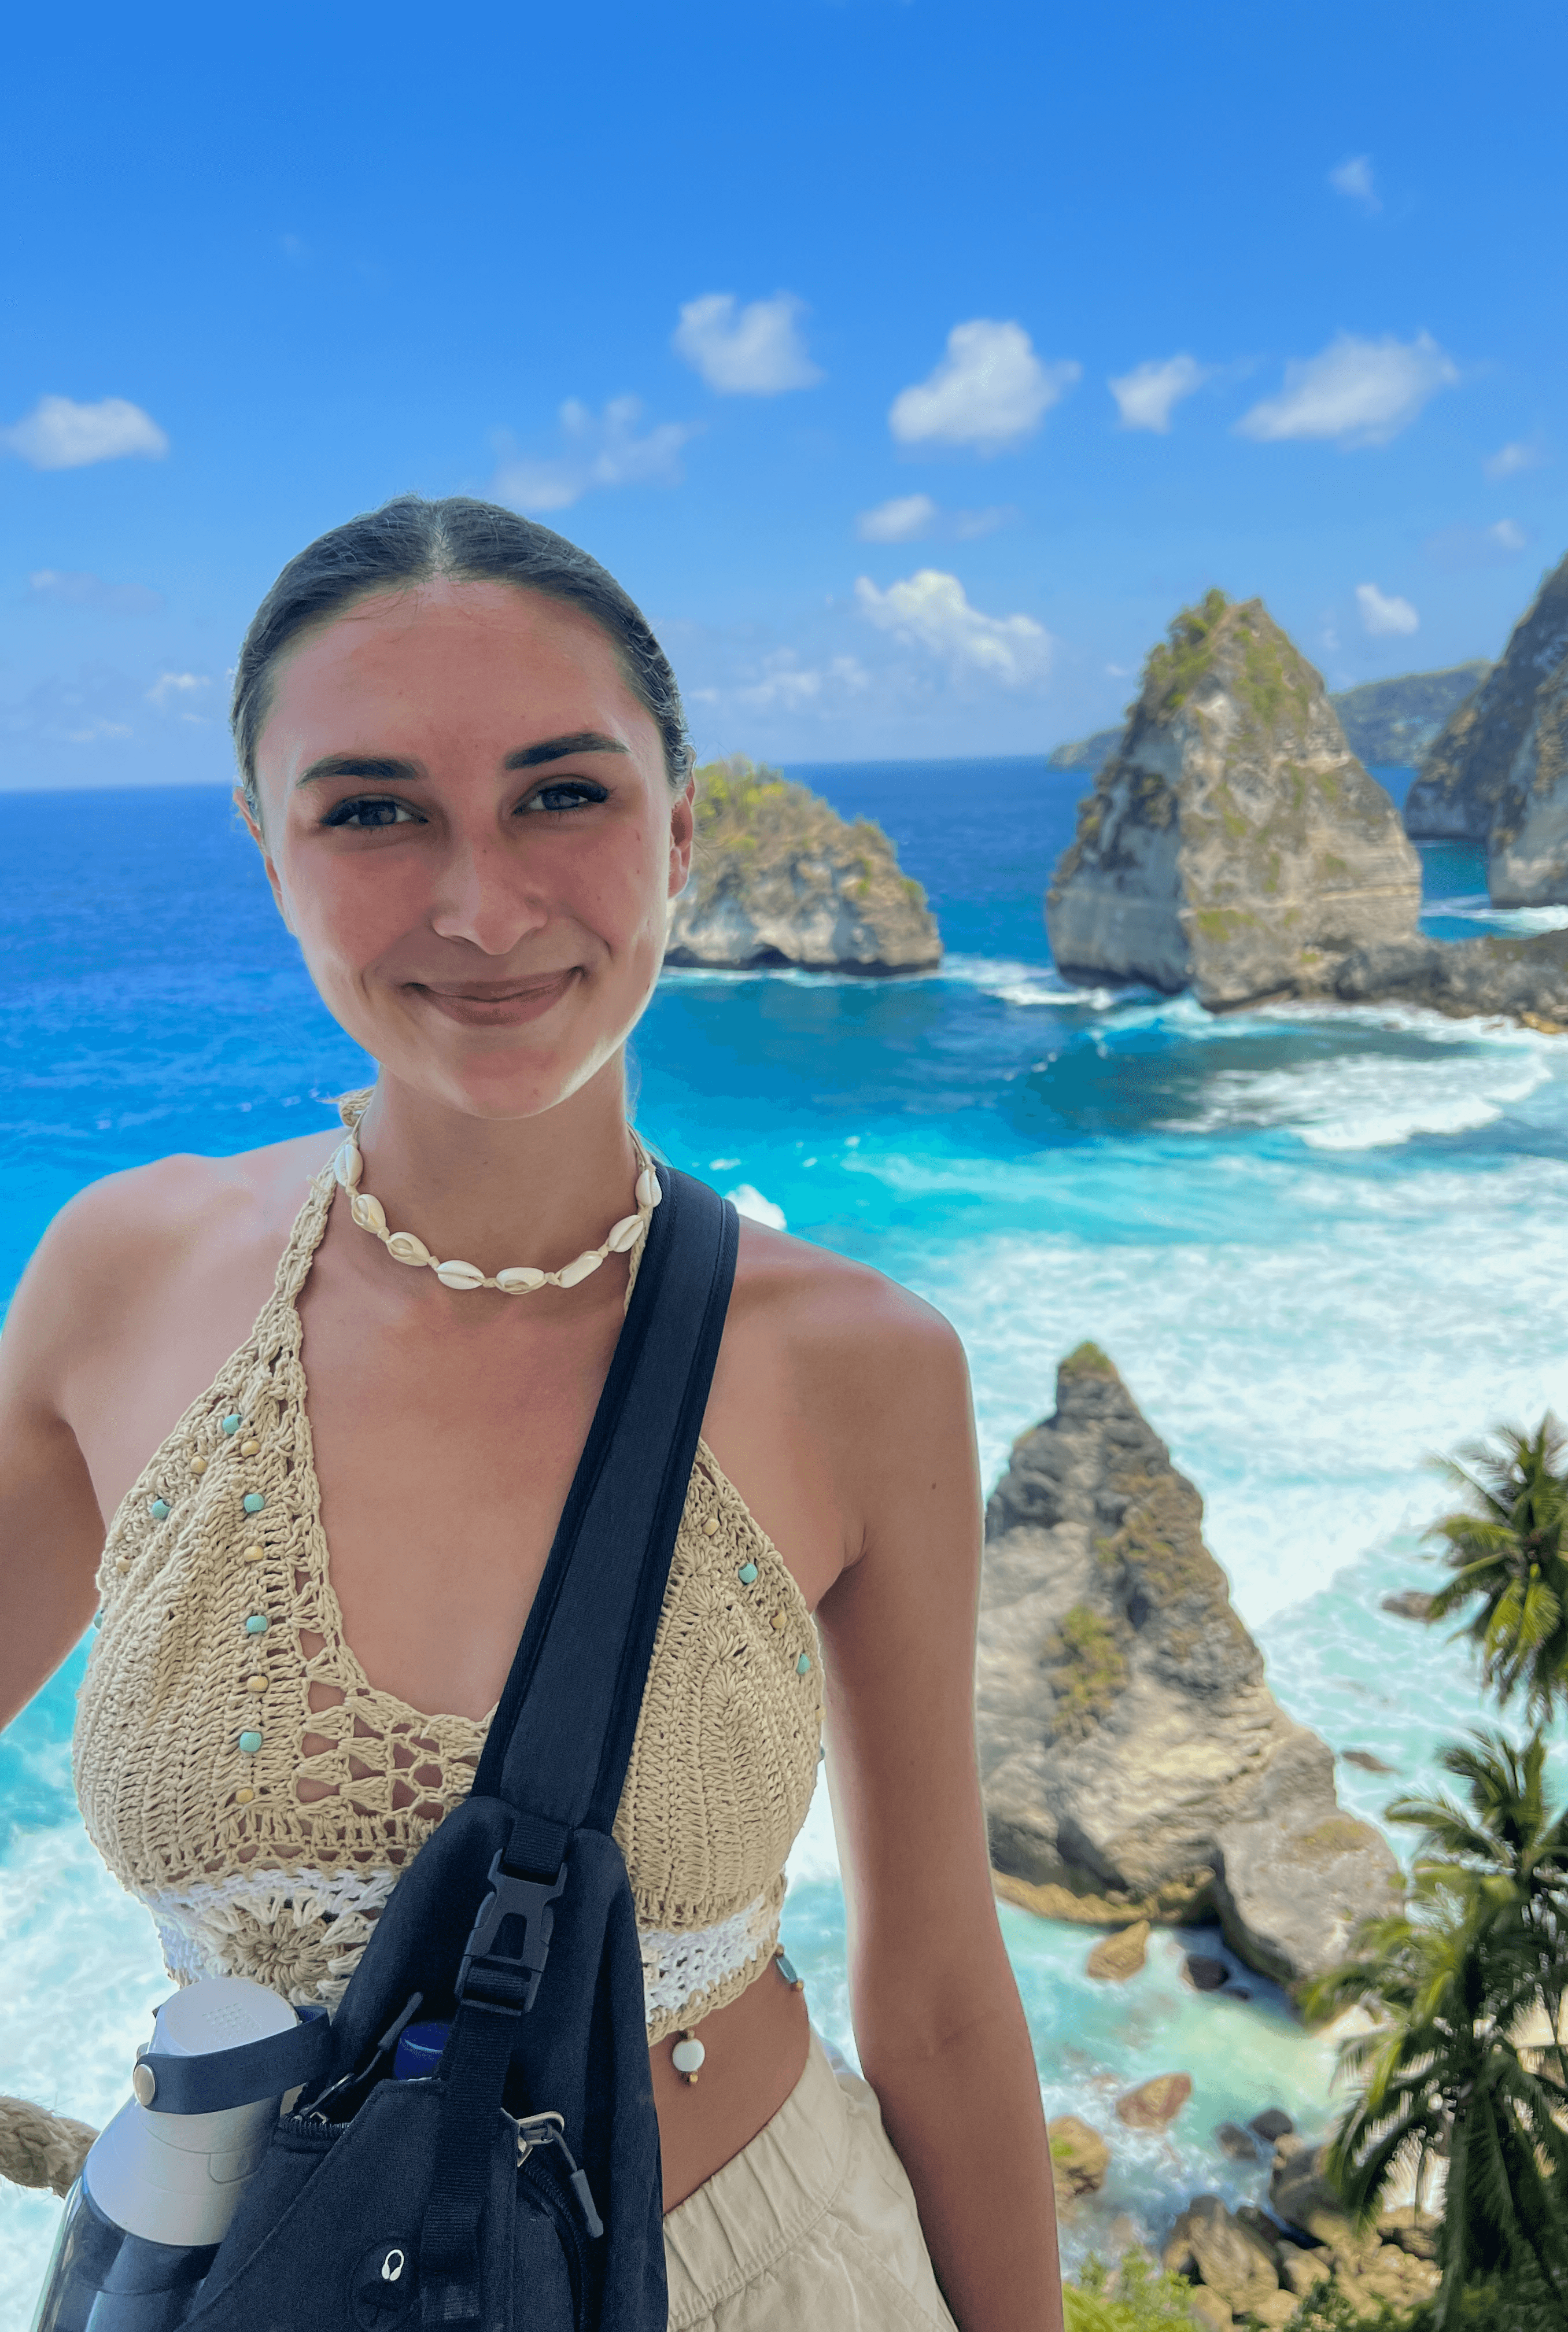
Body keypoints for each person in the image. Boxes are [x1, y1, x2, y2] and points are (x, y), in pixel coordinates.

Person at [0, 496, 1061, 2330]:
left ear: (680, 832)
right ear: (267, 847)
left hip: (755, 2279)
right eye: (373, 811)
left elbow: (942, 1999)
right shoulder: (123, 1280)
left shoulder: (863, 1366)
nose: (483, 908)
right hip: (248, 2279)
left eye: (563, 793)